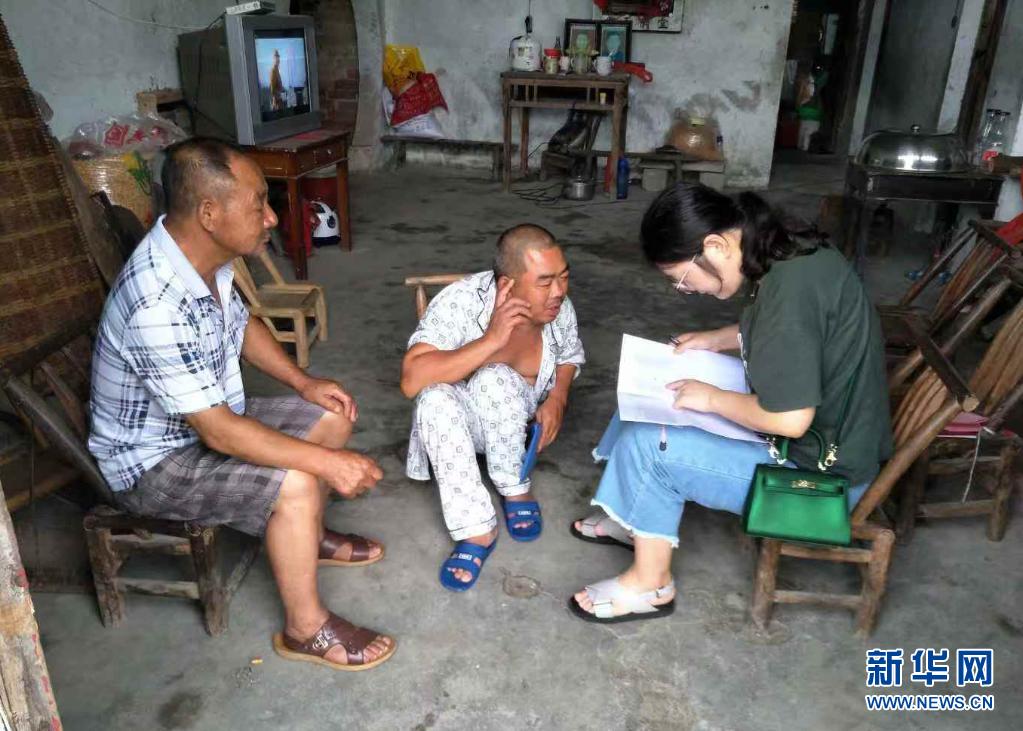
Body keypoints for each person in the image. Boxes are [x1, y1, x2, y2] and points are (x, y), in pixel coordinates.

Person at [88, 138, 396, 669]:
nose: (271, 217)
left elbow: (240, 326)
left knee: (331, 414)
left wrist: (302, 383)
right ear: (209, 213)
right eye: (259, 204)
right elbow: (220, 434)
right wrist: (328, 465)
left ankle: (307, 534)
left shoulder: (206, 259)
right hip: (154, 462)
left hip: (207, 416)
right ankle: (304, 630)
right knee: (298, 480)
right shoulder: (155, 303)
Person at [569, 183, 893, 623]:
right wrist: (716, 339)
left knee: (651, 447)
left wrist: (713, 398)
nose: (685, 289)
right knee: (649, 394)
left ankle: (651, 585)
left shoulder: (789, 293)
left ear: (716, 246)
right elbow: (792, 330)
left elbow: (790, 420)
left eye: (682, 278)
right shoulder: (788, 253)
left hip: (820, 479)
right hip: (832, 441)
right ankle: (636, 516)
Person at [400, 225, 584, 591]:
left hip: (515, 426)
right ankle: (476, 528)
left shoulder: (557, 307)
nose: (559, 292)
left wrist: (558, 397)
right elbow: (411, 380)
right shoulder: (462, 301)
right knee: (441, 395)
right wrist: (492, 340)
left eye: (563, 277)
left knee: (495, 379)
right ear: (507, 285)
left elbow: (569, 353)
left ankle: (513, 484)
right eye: (545, 282)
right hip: (459, 430)